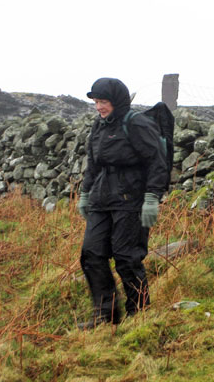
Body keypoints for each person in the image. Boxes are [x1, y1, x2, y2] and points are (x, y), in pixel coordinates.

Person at [77, 77, 168, 329]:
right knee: (91, 254)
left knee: (127, 257)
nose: (98, 107)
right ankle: (106, 316)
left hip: (131, 200)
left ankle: (139, 314)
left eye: (103, 101)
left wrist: (152, 198)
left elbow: (157, 162)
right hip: (101, 199)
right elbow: (93, 163)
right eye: (96, 102)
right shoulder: (99, 126)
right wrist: (85, 194)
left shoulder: (136, 124)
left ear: (117, 101)